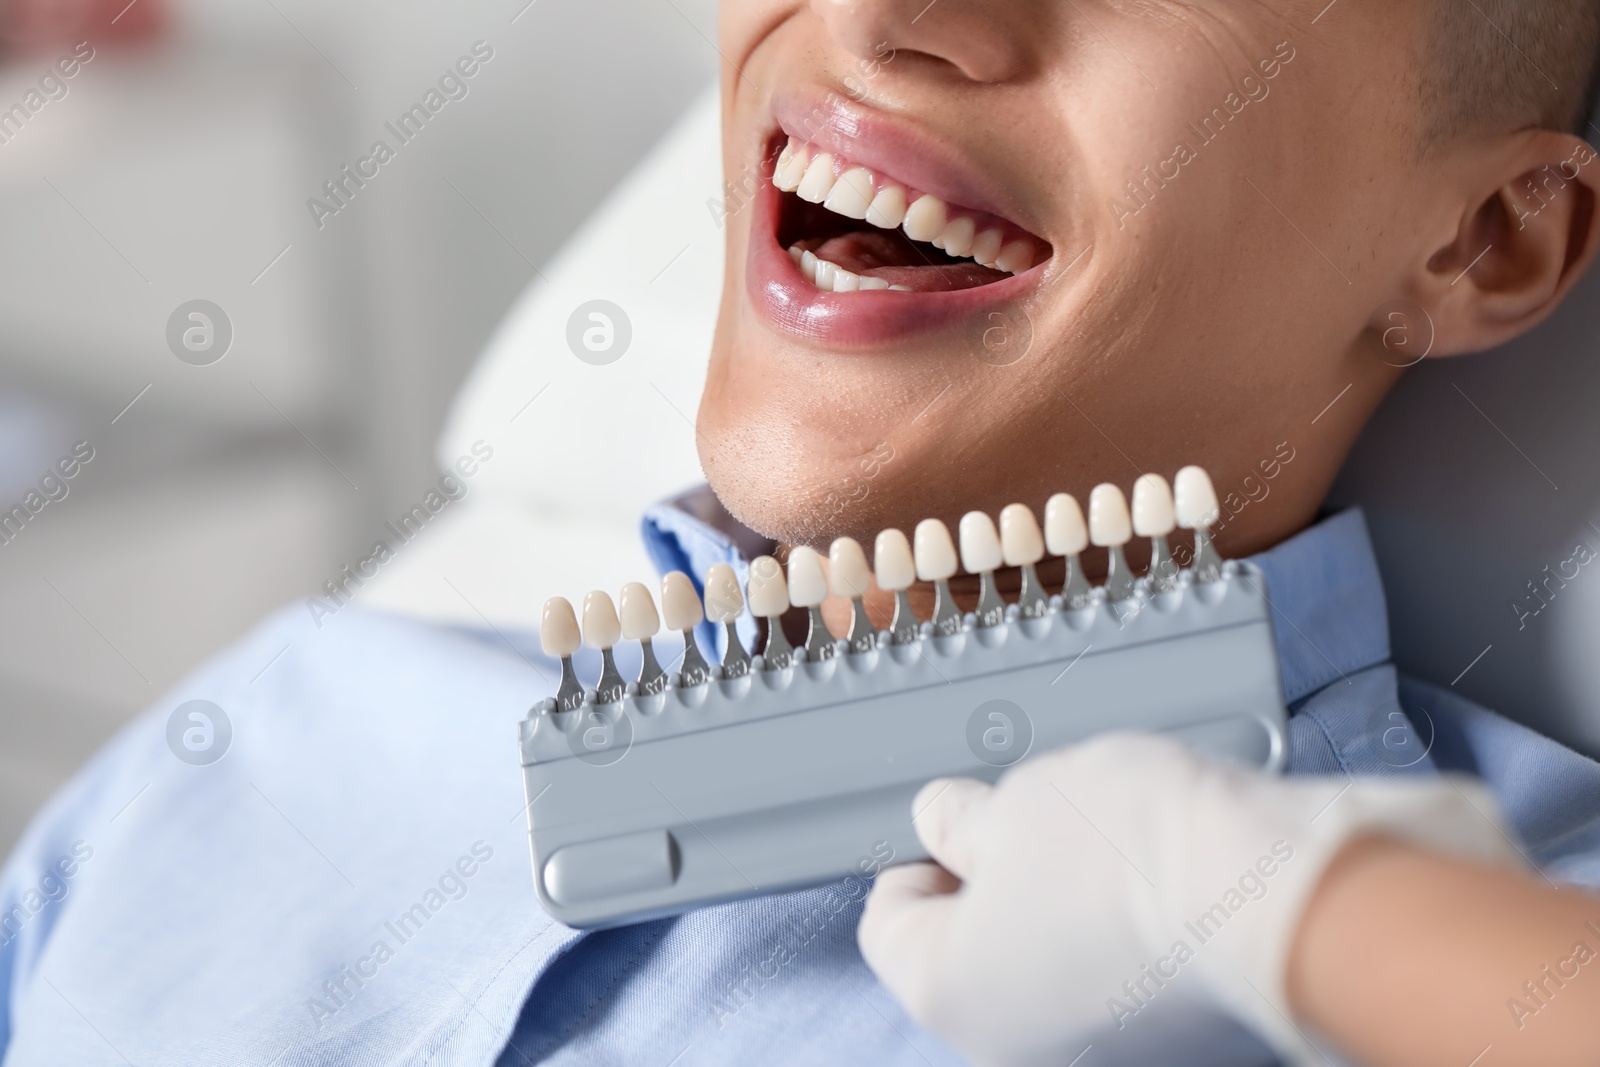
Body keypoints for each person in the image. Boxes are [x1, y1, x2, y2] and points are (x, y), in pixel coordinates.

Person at [5, 0, 1600, 1064]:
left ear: (1484, 241)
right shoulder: (260, 747)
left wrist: (1315, 927)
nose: (884, 16)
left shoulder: (1506, 957)